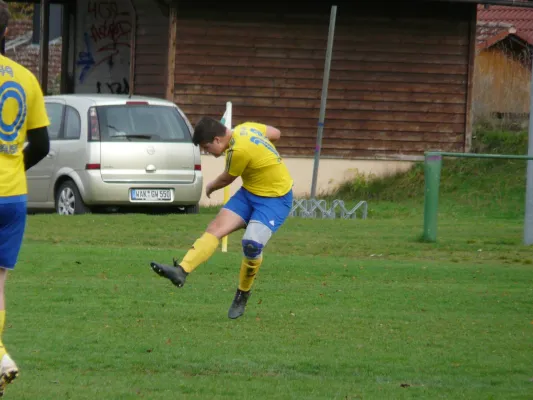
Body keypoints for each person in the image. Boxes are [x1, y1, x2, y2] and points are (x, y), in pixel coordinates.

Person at [150, 117, 293, 319]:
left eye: (207, 148)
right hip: (249, 193)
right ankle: (181, 271)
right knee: (214, 230)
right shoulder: (247, 128)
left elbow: (227, 178)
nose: (208, 152)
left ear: (217, 140)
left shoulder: (238, 151)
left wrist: (210, 187)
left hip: (275, 200)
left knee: (251, 244)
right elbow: (276, 133)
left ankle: (242, 294)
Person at [0, 1, 51, 395]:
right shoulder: (26, 78)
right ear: (5, 32)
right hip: (13, 197)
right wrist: (15, 167)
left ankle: (0, 354)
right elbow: (43, 143)